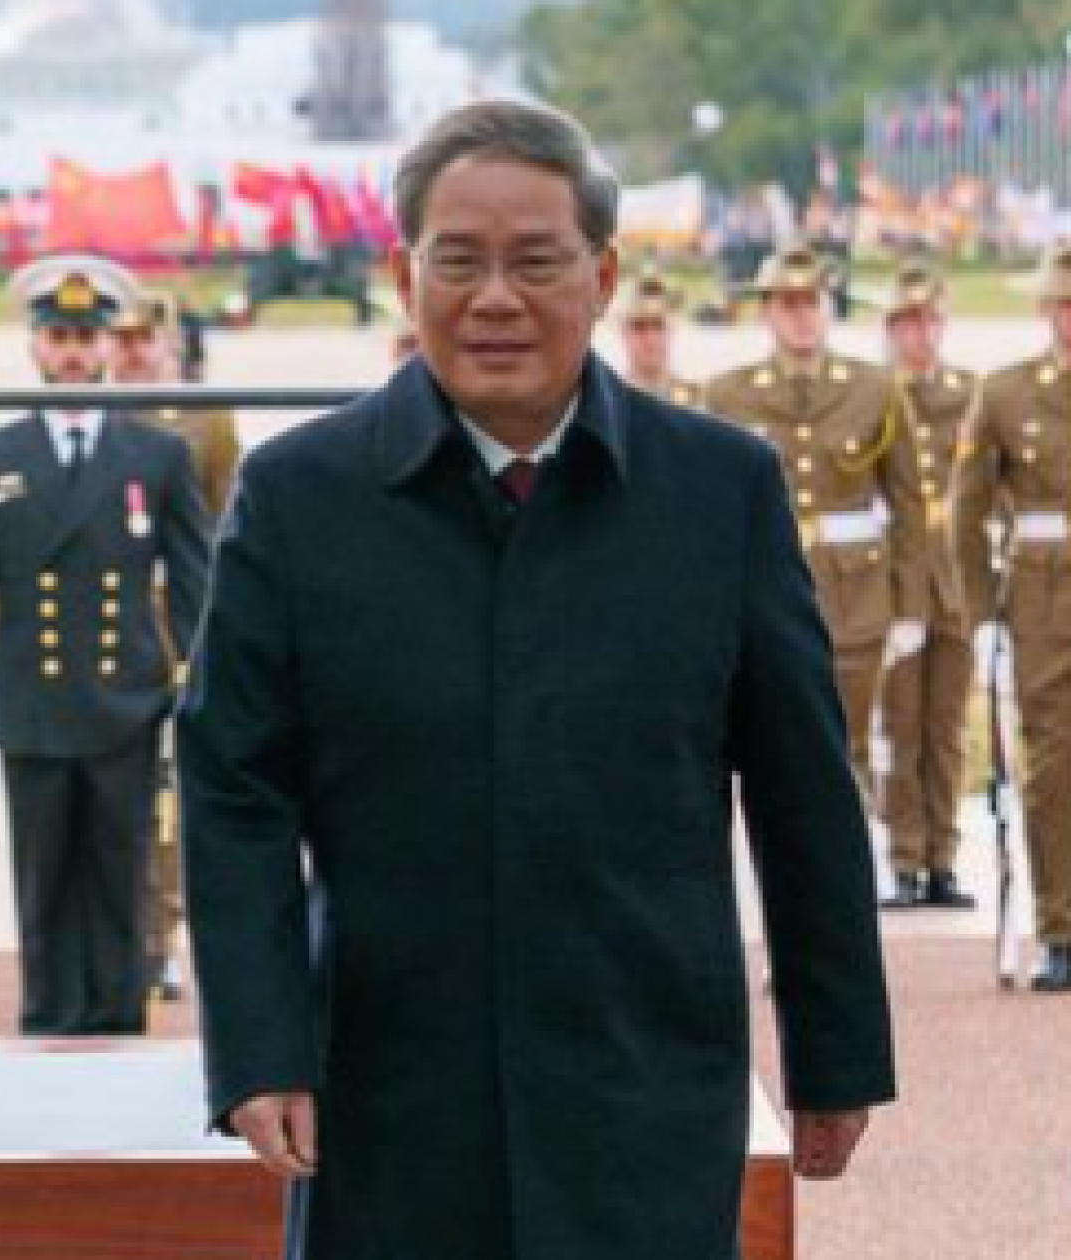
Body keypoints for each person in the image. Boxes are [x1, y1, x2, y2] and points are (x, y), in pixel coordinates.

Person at [180, 100, 895, 1260]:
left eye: (535, 261)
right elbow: (232, 789)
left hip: (641, 1072)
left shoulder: (717, 492)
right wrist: (259, 1049)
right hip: (386, 1083)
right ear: (402, 275)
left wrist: (834, 1050)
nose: (494, 298)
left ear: (603, 274)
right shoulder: (299, 496)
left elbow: (801, 788)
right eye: (456, 261)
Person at [0, 254, 210, 1035]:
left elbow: (193, 580)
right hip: (34, 694)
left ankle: (116, 1011)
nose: (71, 351)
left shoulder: (155, 454)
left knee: (118, 869)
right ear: (34, 345)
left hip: (123, 695)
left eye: (84, 337)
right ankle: (49, 1013)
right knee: (42, 872)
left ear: (106, 344)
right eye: (57, 336)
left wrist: (200, 682)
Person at [705, 244, 929, 805]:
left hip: (855, 594)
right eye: (788, 302)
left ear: (831, 307)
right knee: (768, 748)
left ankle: (843, 881)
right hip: (762, 593)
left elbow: (908, 507)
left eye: (813, 301)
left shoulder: (875, 388)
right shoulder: (727, 393)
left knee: (844, 745)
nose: (802, 314)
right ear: (766, 310)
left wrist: (911, 607)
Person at [108, 290, 239, 1001]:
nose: (131, 353)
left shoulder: (204, 419)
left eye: (142, 341)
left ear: (165, 345)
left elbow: (224, 526)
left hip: (183, 618)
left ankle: (163, 932)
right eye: (120, 341)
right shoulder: (100, 416)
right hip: (117, 620)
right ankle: (129, 931)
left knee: (174, 794)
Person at [951, 240, 1071, 991]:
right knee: (1054, 764)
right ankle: (1061, 927)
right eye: (1063, 304)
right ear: (1046, 310)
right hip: (1043, 595)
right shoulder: (1006, 393)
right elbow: (964, 512)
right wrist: (980, 612)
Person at [875, 262, 979, 910]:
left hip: (958, 583)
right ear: (891, 331)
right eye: (907, 323)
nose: (921, 335)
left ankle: (944, 858)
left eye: (929, 321)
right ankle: (906, 859)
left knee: (947, 728)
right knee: (900, 726)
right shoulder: (877, 395)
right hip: (896, 583)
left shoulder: (972, 393)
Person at [613, 270, 700, 405]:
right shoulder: (605, 404)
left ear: (672, 330)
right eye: (639, 327)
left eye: (659, 326)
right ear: (623, 332)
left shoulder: (698, 403)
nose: (651, 339)